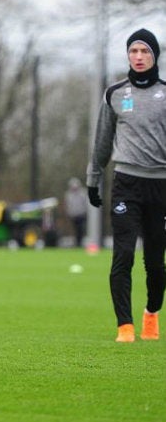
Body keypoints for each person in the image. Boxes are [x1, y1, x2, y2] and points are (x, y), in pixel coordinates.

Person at [87, 28, 166, 343]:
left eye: (145, 51)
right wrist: (94, 178)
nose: (139, 57)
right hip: (126, 184)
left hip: (160, 185)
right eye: (134, 51)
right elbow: (103, 141)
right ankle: (125, 325)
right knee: (123, 255)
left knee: (155, 263)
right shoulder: (115, 94)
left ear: (154, 56)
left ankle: (151, 313)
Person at [64, 177, 87, 247]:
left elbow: (85, 204)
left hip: (81, 215)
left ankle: (79, 243)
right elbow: (67, 205)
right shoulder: (68, 195)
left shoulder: (83, 193)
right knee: (74, 229)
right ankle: (75, 243)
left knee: (80, 230)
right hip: (73, 215)